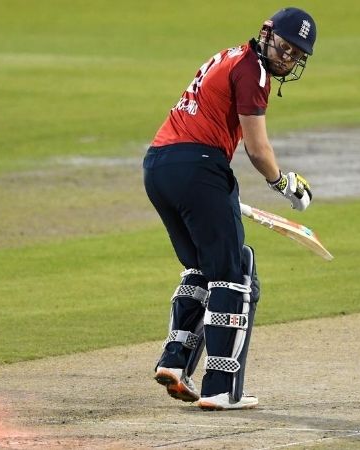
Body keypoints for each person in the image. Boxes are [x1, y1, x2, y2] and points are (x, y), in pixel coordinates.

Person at [143, 7, 317, 410]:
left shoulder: (229, 56)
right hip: (199, 168)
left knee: (205, 266)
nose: (287, 58)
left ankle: (175, 360)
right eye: (285, 47)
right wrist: (284, 183)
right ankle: (221, 388)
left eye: (296, 54)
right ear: (266, 33)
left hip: (159, 167)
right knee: (235, 273)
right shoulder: (253, 71)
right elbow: (257, 150)